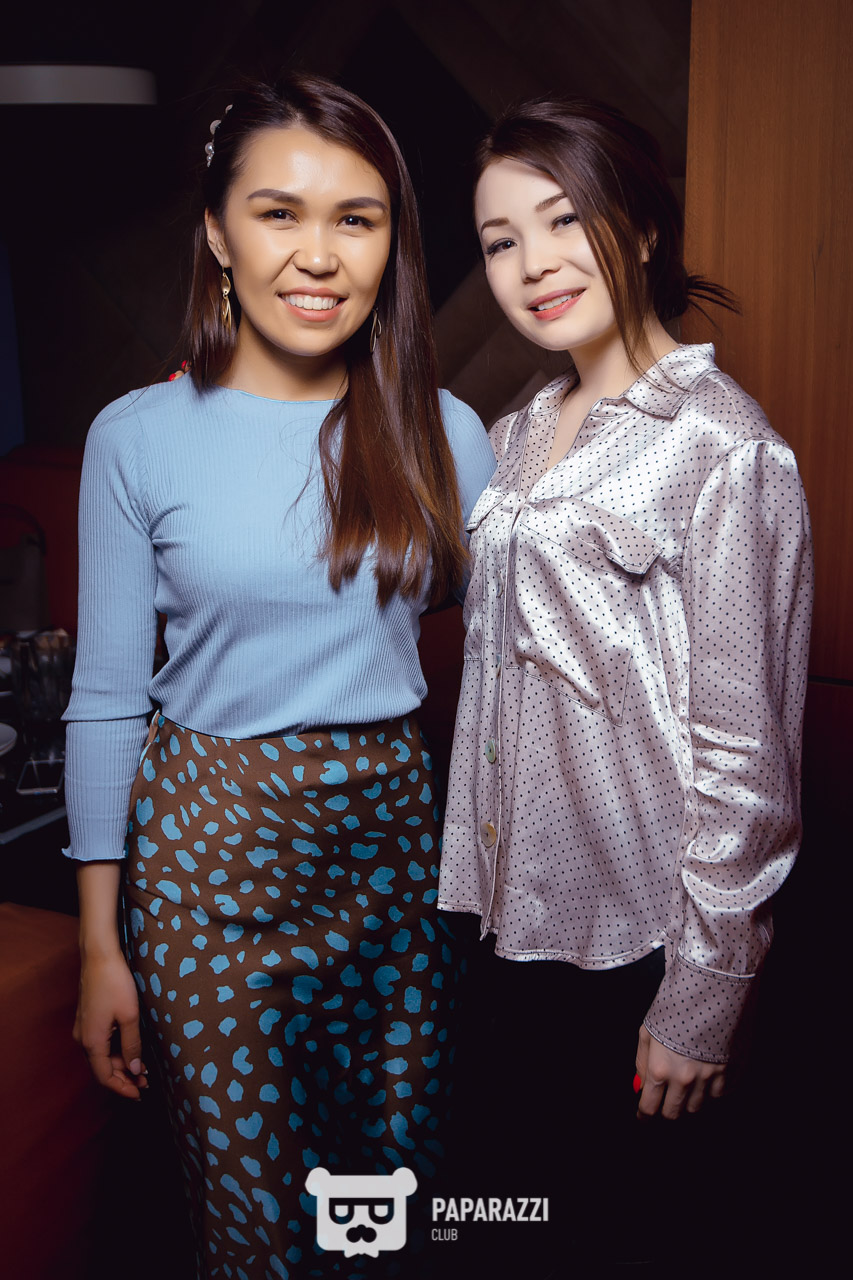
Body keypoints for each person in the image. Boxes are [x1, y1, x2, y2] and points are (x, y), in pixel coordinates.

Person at [65, 72, 495, 1280]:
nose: (319, 254)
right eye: (278, 213)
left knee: (387, 1206)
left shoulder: (449, 432)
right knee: (257, 1228)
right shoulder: (136, 435)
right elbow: (107, 694)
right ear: (217, 232)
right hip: (208, 864)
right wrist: (101, 944)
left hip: (396, 863)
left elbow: (524, 662)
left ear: (391, 241)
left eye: (356, 218)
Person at [438, 96, 813, 1265]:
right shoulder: (518, 430)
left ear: (642, 226)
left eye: (564, 219)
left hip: (637, 941)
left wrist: (701, 995)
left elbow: (746, 754)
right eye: (501, 240)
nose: (533, 263)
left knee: (620, 1236)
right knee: (502, 1225)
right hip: (501, 919)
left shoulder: (723, 445)